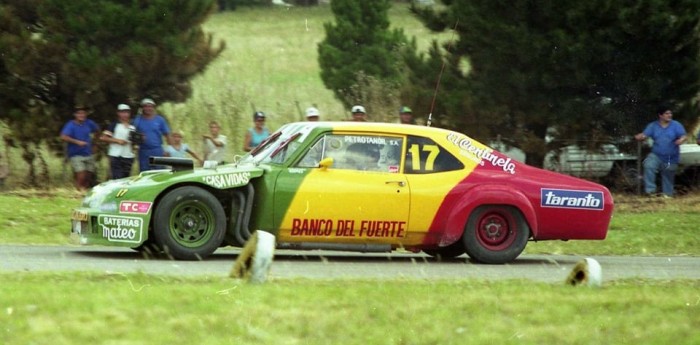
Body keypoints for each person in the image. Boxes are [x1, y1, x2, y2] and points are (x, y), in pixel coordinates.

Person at [634, 104, 687, 197]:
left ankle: (667, 196)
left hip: (671, 156)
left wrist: (681, 140)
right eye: (667, 113)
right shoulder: (653, 126)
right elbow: (645, 134)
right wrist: (640, 136)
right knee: (648, 165)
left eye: (670, 113)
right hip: (656, 154)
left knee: (668, 175)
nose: (669, 115)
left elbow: (684, 136)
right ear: (660, 115)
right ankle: (650, 192)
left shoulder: (676, 125)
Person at [60, 105, 100, 191]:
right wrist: (77, 142)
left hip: (88, 152)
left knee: (89, 175)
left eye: (83, 113)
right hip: (76, 154)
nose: (82, 115)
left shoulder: (89, 123)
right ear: (75, 114)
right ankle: (77, 191)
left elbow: (97, 131)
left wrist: (95, 144)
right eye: (79, 113)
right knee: (81, 175)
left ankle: (84, 191)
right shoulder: (71, 125)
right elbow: (63, 136)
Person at [133, 98, 171, 172]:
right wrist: (138, 139)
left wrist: (168, 150)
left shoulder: (160, 120)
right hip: (143, 151)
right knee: (145, 173)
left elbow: (167, 135)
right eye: (146, 106)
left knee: (160, 173)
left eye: (150, 106)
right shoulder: (137, 120)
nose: (148, 108)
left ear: (153, 107)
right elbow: (132, 136)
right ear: (142, 108)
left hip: (157, 150)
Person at [100, 104, 135, 179]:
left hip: (128, 156)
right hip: (115, 155)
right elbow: (103, 138)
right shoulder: (114, 125)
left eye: (127, 112)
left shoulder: (133, 126)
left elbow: (135, 141)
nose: (125, 114)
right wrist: (117, 141)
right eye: (122, 112)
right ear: (118, 113)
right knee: (117, 178)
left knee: (126, 178)